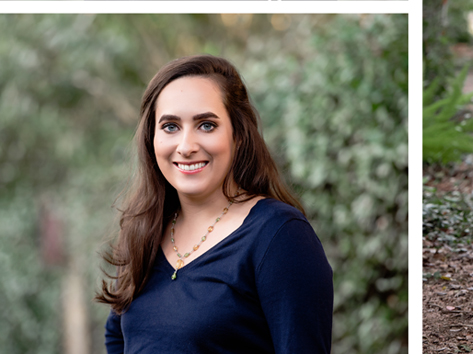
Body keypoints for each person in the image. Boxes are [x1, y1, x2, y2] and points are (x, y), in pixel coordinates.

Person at [98, 55, 333, 353]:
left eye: (206, 125)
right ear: (151, 140)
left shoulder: (280, 237)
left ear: (238, 135)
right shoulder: (143, 231)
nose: (186, 146)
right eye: (170, 127)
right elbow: (118, 337)